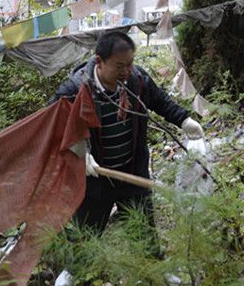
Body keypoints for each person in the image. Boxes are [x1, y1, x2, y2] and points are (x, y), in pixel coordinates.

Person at [50, 32, 204, 241]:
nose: (126, 71)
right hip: (95, 179)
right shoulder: (74, 91)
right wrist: (79, 153)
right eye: (119, 66)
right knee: (85, 237)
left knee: (144, 233)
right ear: (99, 62)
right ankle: (77, 263)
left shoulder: (137, 80)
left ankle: (149, 261)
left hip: (133, 170)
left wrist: (184, 120)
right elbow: (52, 125)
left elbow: (160, 101)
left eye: (130, 63)